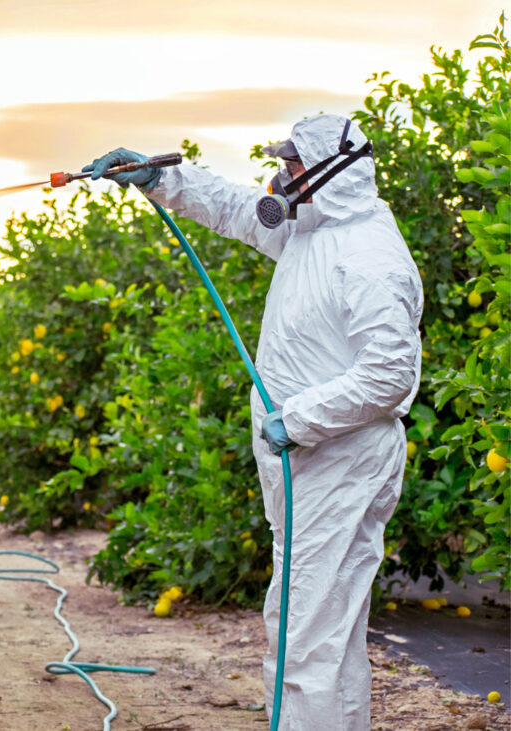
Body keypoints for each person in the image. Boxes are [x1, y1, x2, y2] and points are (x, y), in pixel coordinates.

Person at [85, 113, 424, 730]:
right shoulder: (315, 231)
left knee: (305, 634)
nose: (279, 175)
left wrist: (295, 420)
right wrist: (160, 180)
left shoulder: (370, 255)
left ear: (332, 170)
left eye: (291, 165)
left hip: (338, 460)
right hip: (314, 463)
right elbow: (240, 208)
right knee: (325, 630)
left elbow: (388, 376)